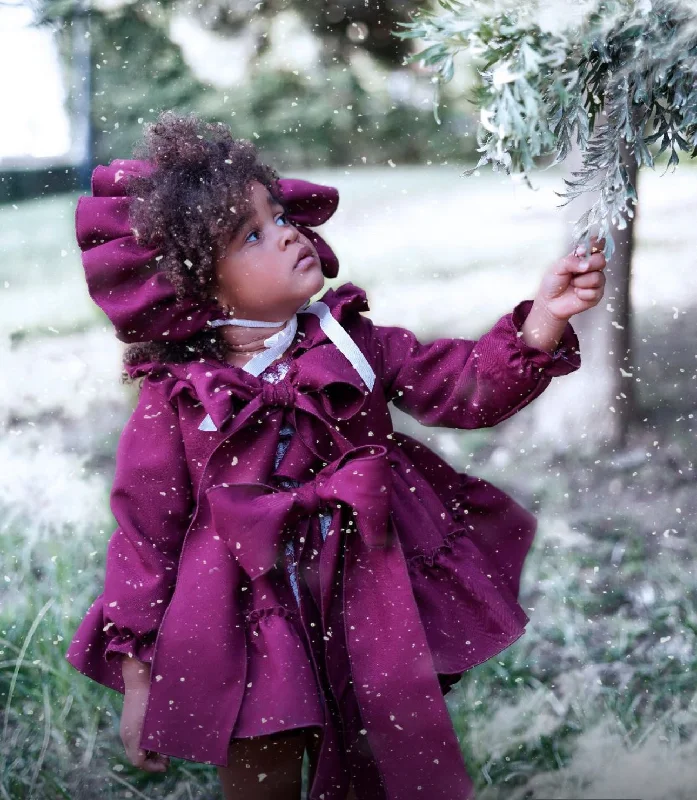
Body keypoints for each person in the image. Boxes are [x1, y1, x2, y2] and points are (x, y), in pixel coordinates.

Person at [65, 110, 606, 800]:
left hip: (362, 584)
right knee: (261, 750)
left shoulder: (350, 343)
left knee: (370, 743)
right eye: (251, 235)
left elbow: (462, 385)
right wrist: (139, 675)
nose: (287, 233)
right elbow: (147, 535)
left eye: (278, 215)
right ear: (198, 287)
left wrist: (541, 323)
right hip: (245, 604)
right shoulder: (177, 402)